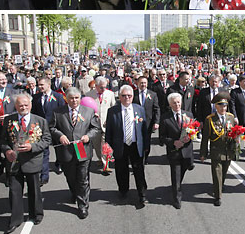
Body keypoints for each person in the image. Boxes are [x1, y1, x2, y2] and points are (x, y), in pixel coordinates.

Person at [0, 92, 50, 234]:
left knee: (34, 190)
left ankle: (36, 214)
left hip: (32, 161)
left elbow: (46, 140)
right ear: (16, 106)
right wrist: (7, 151)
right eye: (20, 105)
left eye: (26, 105)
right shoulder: (9, 120)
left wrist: (32, 147)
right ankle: (15, 220)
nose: (23, 107)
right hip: (14, 162)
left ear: (31, 105)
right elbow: (2, 141)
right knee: (14, 191)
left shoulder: (40, 120)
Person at [50, 85, 99, 220]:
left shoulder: (88, 111)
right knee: (71, 177)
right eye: (71, 98)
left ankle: (83, 206)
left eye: (77, 98)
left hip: (83, 149)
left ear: (80, 98)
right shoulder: (58, 113)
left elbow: (95, 128)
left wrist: (88, 136)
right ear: (66, 98)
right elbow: (52, 128)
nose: (74, 101)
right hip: (66, 151)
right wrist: (60, 135)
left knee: (83, 178)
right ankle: (75, 192)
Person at [104, 82, 152, 210]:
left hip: (136, 145)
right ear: (119, 97)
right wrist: (108, 146)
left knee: (139, 171)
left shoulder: (139, 109)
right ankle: (123, 191)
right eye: (124, 96)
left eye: (129, 96)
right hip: (120, 145)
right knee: (121, 170)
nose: (127, 98)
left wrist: (146, 145)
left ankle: (142, 194)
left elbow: (144, 130)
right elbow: (109, 131)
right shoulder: (112, 111)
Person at [200, 90, 238, 206]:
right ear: (216, 106)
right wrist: (203, 153)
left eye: (225, 105)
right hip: (216, 150)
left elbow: (235, 135)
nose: (223, 108)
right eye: (220, 105)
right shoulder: (210, 119)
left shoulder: (231, 117)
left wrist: (236, 150)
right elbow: (205, 138)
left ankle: (220, 187)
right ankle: (218, 196)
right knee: (217, 173)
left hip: (228, 150)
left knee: (224, 172)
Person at [160, 90, 195, 210]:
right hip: (174, 152)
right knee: (176, 175)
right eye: (174, 103)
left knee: (182, 173)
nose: (177, 105)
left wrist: (190, 137)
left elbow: (194, 131)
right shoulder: (165, 118)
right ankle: (177, 198)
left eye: (179, 102)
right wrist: (173, 142)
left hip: (187, 151)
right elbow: (162, 137)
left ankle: (177, 186)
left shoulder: (188, 115)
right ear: (170, 104)